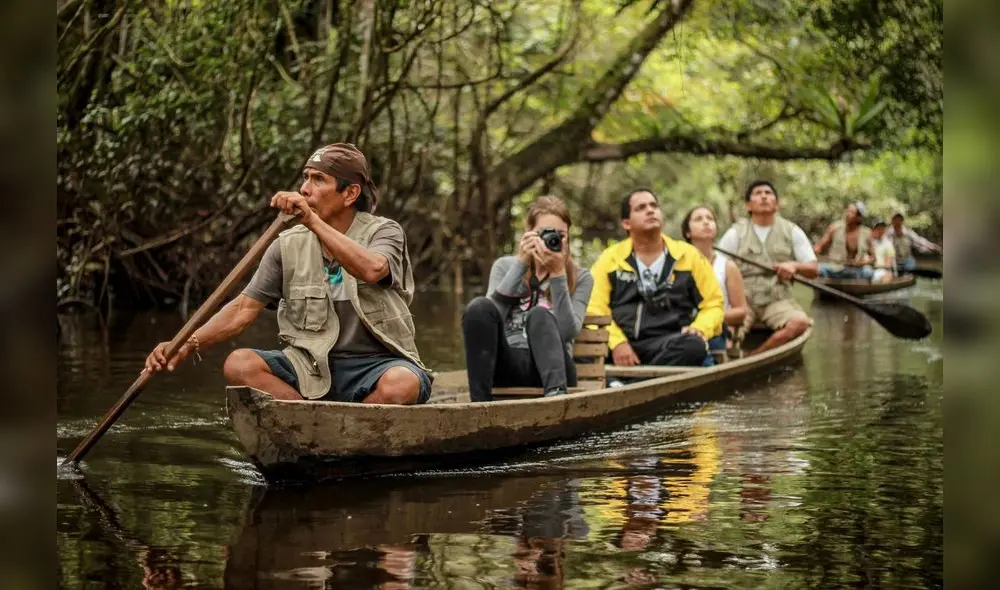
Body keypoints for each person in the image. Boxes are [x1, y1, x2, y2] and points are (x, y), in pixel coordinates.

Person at [144, 143, 432, 405]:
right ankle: (308, 420)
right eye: (305, 177)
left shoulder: (384, 231)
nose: (305, 189)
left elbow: (372, 269)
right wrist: (185, 344)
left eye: (318, 180)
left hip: (377, 364)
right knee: (238, 364)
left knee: (402, 385)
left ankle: (351, 425)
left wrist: (311, 220)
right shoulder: (287, 245)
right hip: (310, 366)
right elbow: (242, 310)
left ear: (350, 193)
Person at [461, 195, 594, 402]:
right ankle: (480, 407)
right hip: (509, 364)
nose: (552, 240)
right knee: (478, 306)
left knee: (539, 315)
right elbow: (489, 319)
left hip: (555, 368)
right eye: (544, 234)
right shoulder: (504, 267)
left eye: (560, 235)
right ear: (528, 233)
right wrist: (521, 264)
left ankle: (556, 402)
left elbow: (568, 331)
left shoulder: (581, 277)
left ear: (568, 237)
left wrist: (558, 273)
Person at [587, 189, 723, 368]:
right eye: (641, 208)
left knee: (693, 346)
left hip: (670, 343)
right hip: (623, 345)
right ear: (626, 223)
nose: (650, 210)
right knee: (578, 349)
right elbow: (595, 308)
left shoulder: (688, 255)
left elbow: (714, 304)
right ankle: (629, 381)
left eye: (654, 206)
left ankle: (627, 383)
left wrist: (699, 328)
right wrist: (618, 343)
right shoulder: (610, 258)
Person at [716, 180, 818, 355]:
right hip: (743, 299)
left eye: (768, 193)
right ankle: (729, 353)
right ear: (748, 205)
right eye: (758, 193)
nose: (763, 196)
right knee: (721, 328)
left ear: (776, 204)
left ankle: (756, 356)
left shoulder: (791, 231)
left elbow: (814, 270)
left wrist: (794, 266)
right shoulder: (735, 233)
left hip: (778, 299)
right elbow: (717, 269)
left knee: (800, 323)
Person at [681, 205, 748, 362]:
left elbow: (741, 312)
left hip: (714, 331)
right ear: (687, 233)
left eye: (710, 219)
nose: (706, 222)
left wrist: (708, 319)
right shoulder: (678, 263)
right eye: (699, 219)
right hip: (682, 329)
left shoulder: (727, 266)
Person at [813, 201, 874, 280]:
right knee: (817, 269)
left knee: (868, 272)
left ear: (859, 217)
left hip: (856, 271)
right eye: (847, 211)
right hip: (834, 268)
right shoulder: (834, 228)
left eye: (852, 212)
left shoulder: (867, 233)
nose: (848, 214)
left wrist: (863, 263)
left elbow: (873, 257)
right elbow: (819, 247)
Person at [870, 219, 897, 283]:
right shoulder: (869, 242)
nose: (880, 231)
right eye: (878, 228)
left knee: (886, 276)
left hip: (883, 271)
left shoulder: (888, 244)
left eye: (882, 228)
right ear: (873, 230)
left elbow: (888, 264)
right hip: (869, 271)